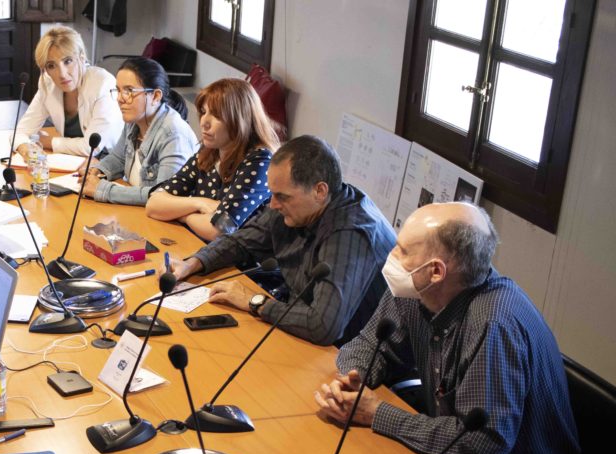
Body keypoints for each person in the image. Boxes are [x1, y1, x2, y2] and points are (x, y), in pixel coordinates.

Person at [314, 202, 579, 454]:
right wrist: (354, 379)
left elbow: (481, 444)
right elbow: (369, 344)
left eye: (402, 251)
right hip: (447, 452)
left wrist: (377, 413)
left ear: (436, 272)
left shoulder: (494, 324)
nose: (390, 254)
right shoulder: (417, 288)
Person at [169, 135, 396, 346]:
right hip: (297, 327)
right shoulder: (295, 207)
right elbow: (241, 242)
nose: (273, 205)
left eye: (282, 197)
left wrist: (254, 301)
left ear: (320, 191)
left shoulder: (350, 232)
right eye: (273, 193)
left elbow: (324, 326)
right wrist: (192, 263)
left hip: (350, 359)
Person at [145, 78, 278, 242]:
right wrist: (199, 204)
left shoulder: (260, 161)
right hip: (199, 249)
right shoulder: (210, 152)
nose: (204, 122)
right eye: (203, 111)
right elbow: (153, 204)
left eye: (216, 115)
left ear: (239, 119)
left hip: (236, 264)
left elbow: (218, 230)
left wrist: (182, 215)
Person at [76, 56, 197, 206]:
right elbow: (118, 158)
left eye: (129, 91)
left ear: (155, 96)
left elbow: (163, 196)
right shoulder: (134, 120)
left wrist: (103, 189)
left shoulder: (174, 134)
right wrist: (96, 171)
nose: (120, 98)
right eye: (119, 90)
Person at [14, 26, 123, 158]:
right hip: (70, 163)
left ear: (82, 57)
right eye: (51, 66)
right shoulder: (47, 84)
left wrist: (48, 141)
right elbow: (20, 132)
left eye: (68, 61)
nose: (62, 74)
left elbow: (91, 147)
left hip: (106, 165)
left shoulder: (102, 83)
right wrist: (25, 148)